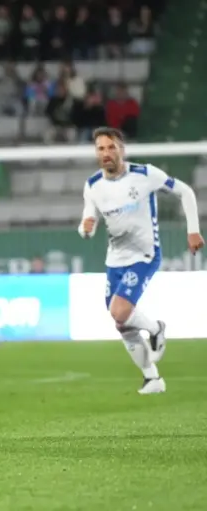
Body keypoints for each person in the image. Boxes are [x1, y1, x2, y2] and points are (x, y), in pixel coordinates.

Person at [78, 127, 204, 395]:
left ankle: (157, 328)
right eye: (101, 149)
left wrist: (193, 229)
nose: (106, 153)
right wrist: (85, 229)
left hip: (145, 255)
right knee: (121, 322)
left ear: (122, 149)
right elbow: (87, 224)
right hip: (115, 259)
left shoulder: (145, 174)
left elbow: (185, 192)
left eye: (111, 147)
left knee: (121, 311)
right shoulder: (93, 185)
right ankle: (152, 378)